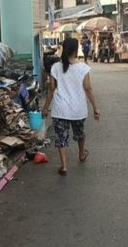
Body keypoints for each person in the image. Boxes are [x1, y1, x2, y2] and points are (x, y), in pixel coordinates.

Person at [42, 37, 100, 176]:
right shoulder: (83, 68)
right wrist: (95, 107)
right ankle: (81, 154)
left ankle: (64, 166)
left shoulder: (55, 67)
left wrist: (45, 108)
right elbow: (88, 88)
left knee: (61, 138)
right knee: (79, 133)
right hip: (78, 109)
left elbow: (51, 89)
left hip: (60, 110)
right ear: (75, 50)